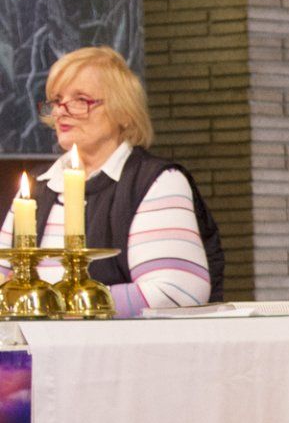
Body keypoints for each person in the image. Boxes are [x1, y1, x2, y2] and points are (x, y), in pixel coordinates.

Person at [0, 47, 220, 315]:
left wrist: (55, 303)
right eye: (56, 100)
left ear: (124, 112)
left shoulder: (155, 182)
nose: (60, 112)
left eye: (80, 100)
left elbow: (177, 292)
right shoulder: (39, 185)